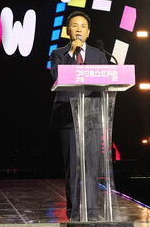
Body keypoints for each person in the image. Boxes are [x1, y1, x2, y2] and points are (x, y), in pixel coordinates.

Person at [50, 11, 108, 220]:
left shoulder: (99, 55)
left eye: (83, 26)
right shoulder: (59, 53)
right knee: (73, 168)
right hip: (68, 116)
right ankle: (74, 212)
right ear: (68, 31)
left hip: (92, 117)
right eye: (74, 26)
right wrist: (71, 54)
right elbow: (57, 75)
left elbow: (106, 81)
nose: (79, 29)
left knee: (92, 167)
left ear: (88, 32)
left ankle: (92, 211)